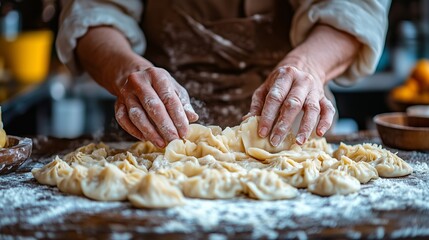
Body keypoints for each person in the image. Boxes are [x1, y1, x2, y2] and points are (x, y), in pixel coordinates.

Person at [57, 0, 390, 148]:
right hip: (155, 135)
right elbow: (93, 11)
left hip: (291, 129)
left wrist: (308, 67)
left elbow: (355, 8)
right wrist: (128, 70)